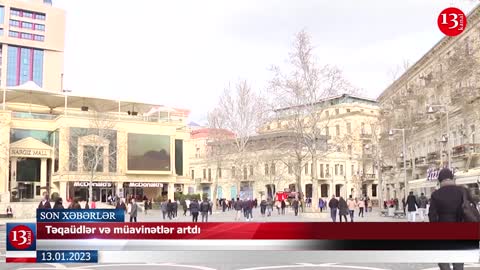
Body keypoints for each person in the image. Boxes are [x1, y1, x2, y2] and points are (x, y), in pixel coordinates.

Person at [428, 168, 475, 270]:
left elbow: (432, 216)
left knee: (443, 259)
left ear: (440, 180)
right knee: (458, 261)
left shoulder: (436, 194)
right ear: (452, 178)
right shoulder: (463, 191)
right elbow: (472, 208)